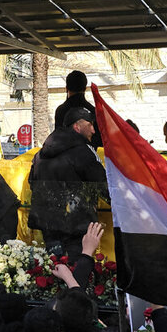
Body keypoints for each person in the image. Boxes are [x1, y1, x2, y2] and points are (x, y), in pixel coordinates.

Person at [28, 107, 107, 257]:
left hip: (49, 227)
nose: (93, 131)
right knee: (77, 273)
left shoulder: (40, 154)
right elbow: (102, 184)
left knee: (56, 269)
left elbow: (32, 182)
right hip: (76, 227)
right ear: (77, 127)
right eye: (90, 125)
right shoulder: (84, 151)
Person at [54, 70, 102, 148]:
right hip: (89, 157)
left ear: (66, 88)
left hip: (67, 157)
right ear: (85, 88)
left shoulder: (61, 110)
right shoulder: (93, 111)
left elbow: (57, 138)